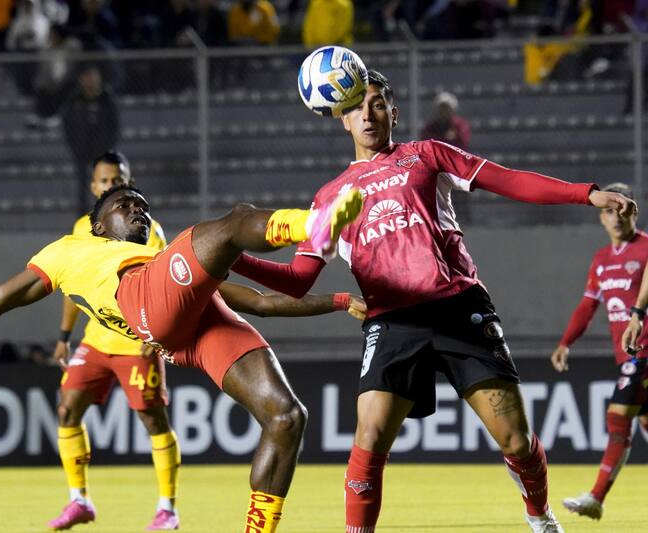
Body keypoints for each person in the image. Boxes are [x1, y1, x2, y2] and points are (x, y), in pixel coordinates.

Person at [228, 69, 636, 533]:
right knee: (368, 439)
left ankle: (539, 516)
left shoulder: (426, 155)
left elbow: (508, 180)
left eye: (377, 103)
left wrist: (587, 194)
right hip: (392, 321)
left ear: (393, 113)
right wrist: (230, 256)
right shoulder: (329, 199)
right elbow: (299, 280)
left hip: (458, 308)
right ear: (341, 118)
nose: (368, 113)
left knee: (516, 440)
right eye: (357, 106)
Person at [0, 185, 366, 533]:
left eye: (143, 207)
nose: (139, 212)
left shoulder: (156, 256)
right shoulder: (69, 252)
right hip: (146, 304)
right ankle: (314, 224)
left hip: (188, 327)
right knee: (233, 219)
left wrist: (340, 301)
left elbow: (258, 301)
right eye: (126, 206)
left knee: (286, 417)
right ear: (99, 224)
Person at [49, 150, 178, 531]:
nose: (112, 185)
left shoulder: (147, 228)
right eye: (105, 180)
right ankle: (79, 500)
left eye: (118, 179)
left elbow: (163, 284)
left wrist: (156, 335)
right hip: (95, 340)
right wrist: (63, 336)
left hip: (135, 341)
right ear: (93, 186)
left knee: (153, 421)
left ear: (128, 180)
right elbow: (72, 285)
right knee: (67, 410)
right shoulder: (80, 229)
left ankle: (167, 508)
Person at [550, 182, 648, 521]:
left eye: (621, 209)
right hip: (628, 355)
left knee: (618, 418)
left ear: (632, 211)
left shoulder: (647, 249)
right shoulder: (602, 260)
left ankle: (596, 497)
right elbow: (588, 305)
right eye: (608, 210)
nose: (615, 216)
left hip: (644, 352)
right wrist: (566, 342)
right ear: (601, 218)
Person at [60, 64, 119, 213]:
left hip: (104, 154)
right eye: (86, 76)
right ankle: (83, 224)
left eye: (93, 75)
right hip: (81, 153)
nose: (90, 80)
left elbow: (114, 128)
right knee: (83, 191)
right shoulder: (74, 101)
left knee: (106, 191)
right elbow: (68, 127)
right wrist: (77, 148)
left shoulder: (107, 100)